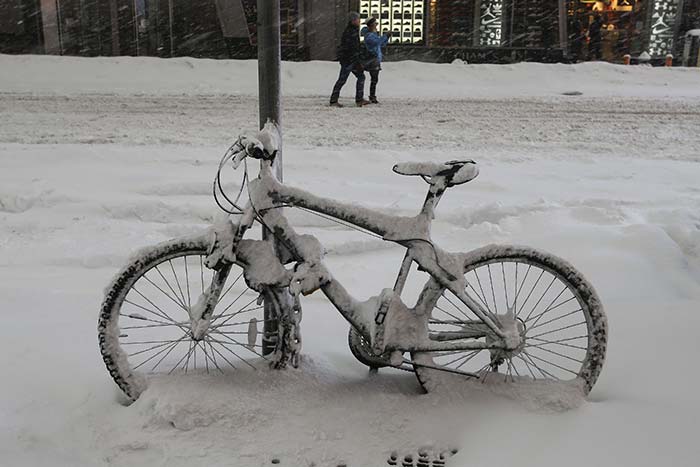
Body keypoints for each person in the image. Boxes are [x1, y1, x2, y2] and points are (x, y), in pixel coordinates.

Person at [330, 12, 369, 108]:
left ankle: (358, 99)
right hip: (349, 60)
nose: (359, 21)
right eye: (357, 19)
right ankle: (334, 100)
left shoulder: (352, 30)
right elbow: (351, 47)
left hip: (350, 60)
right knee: (343, 79)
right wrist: (357, 58)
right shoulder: (350, 32)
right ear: (353, 20)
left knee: (359, 77)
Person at [360, 18, 391, 104]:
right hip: (372, 59)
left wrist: (386, 37)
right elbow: (378, 42)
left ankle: (371, 96)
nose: (376, 25)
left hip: (374, 59)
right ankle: (372, 96)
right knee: (374, 79)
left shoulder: (371, 34)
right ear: (371, 25)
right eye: (375, 24)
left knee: (374, 79)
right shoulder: (370, 36)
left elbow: (381, 43)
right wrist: (385, 36)